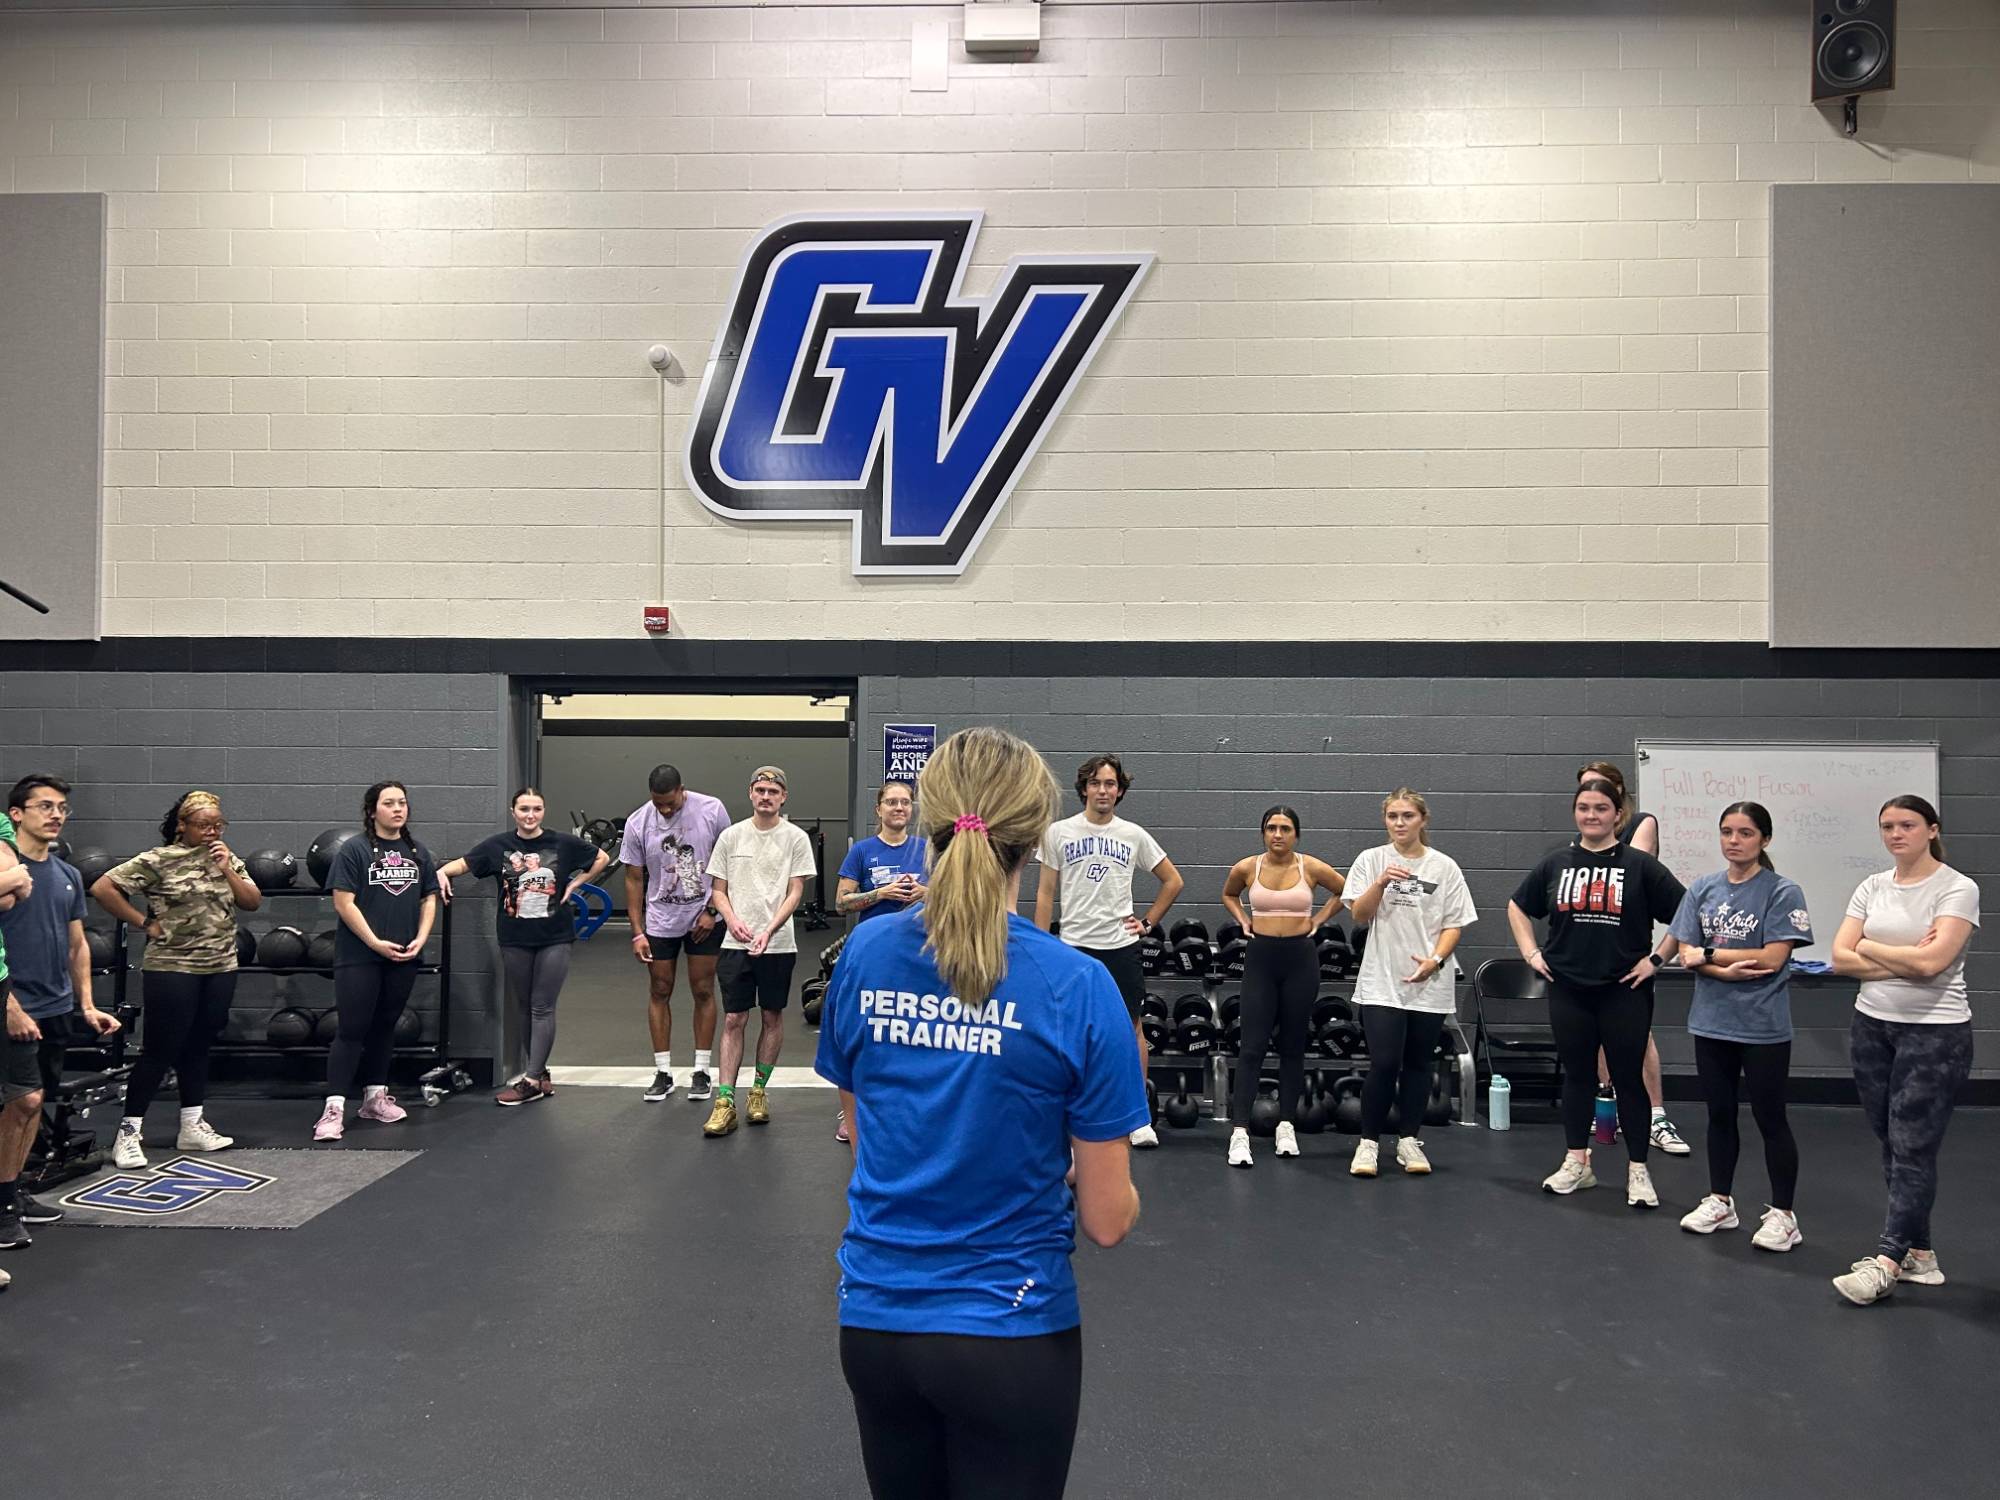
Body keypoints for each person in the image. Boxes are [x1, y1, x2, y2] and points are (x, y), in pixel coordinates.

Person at [814, 726, 1144, 1500]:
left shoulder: (863, 957)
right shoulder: (1078, 984)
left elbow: (867, 1138)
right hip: (1010, 1332)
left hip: (876, 1326)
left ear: (928, 826)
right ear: (1034, 841)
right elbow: (1107, 1220)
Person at [1828, 794, 1979, 1307]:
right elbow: (1839, 959)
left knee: (1913, 1145)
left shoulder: (1957, 888)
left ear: (1931, 830)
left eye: (1908, 825)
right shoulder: (1871, 886)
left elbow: (1933, 963)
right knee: (1892, 1144)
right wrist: (1899, 957)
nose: (1896, 834)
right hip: (1872, 1026)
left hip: (1935, 1034)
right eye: (1887, 826)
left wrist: (1870, 945)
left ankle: (1887, 1260)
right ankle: (1922, 1256)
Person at [1508, 778, 1686, 1209]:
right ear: (1576, 812)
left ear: (1618, 815)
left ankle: (1638, 1171)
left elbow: (1687, 912)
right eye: (1584, 807)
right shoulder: (1556, 863)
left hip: (1624, 990)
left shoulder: (1640, 866)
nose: (1592, 815)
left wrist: (1658, 960)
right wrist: (1532, 953)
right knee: (1579, 1078)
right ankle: (1577, 1164)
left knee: (1628, 1081)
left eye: (1601, 808)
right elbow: (1517, 906)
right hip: (1569, 990)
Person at [1668, 802, 1813, 1250]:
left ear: (1764, 840)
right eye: (1727, 832)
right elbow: (1684, 951)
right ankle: (1720, 1201)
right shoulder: (1703, 888)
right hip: (1711, 1023)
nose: (1735, 841)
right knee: (1719, 1115)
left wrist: (1711, 957)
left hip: (1763, 1026)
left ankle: (1784, 1215)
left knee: (1771, 1118)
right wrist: (1720, 969)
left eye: (1746, 833)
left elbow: (1772, 957)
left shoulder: (1782, 891)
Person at [91, 790, 261, 1168]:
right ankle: (129, 1133)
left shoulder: (225, 856)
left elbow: (252, 901)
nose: (211, 832)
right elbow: (103, 887)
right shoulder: (158, 859)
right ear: (182, 825)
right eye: (203, 825)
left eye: (217, 825)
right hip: (172, 966)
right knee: (160, 1049)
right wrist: (143, 923)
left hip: (220, 966)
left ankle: (191, 1126)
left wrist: (227, 868)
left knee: (199, 1045)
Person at [1032, 754, 1184, 1150]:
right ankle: (1063, 1112)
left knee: (1131, 1027)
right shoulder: (1058, 832)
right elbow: (1046, 892)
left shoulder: (1132, 834)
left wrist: (1147, 922)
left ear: (1120, 790)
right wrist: (1039, 945)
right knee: (1065, 1031)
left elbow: (1173, 881)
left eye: (1111, 784)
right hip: (1073, 947)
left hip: (1119, 945)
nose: (1103, 790)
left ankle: (1139, 1118)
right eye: (1096, 783)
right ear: (1084, 788)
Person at [0, 777, 121, 1249]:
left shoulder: (68, 875)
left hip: (54, 1006)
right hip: (14, 1003)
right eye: (44, 806)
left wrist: (86, 1004)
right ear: (16, 814)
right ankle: (5, 1206)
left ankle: (15, 1188)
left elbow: (77, 945)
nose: (56, 815)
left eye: (62, 808)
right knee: (23, 1100)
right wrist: (9, 1005)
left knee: (35, 1104)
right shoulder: (9, 875)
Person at [437, 787, 608, 1107]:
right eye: (524, 809)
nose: (531, 815)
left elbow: (601, 857)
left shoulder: (561, 843)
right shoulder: (498, 846)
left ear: (544, 811)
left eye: (537, 809)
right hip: (514, 937)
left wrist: (576, 883)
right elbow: (463, 864)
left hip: (555, 936)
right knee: (524, 1006)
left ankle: (529, 1080)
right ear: (512, 811)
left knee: (542, 1006)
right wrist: (441, 873)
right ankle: (540, 1073)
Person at [1341, 789, 1476, 1179]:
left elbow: (1454, 924)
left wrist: (1434, 960)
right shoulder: (1371, 860)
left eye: (1407, 816)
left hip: (1429, 981)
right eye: (1393, 816)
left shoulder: (1444, 867)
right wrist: (1381, 882)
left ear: (1423, 820)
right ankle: (1368, 1144)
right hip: (1382, 981)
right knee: (1384, 1063)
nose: (1399, 823)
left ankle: (1408, 1141)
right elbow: (1360, 916)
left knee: (1420, 1064)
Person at [1219, 806, 1345, 1168]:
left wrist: (1318, 920)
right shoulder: (1246, 868)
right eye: (1272, 828)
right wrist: (1243, 920)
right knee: (1252, 1048)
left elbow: (1345, 892)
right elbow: (1229, 895)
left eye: (1285, 828)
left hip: (1300, 962)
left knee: (1293, 1047)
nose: (1278, 834)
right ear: (1263, 833)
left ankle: (1286, 1126)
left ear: (1296, 834)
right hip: (1261, 960)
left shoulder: (1312, 867)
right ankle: (1239, 1132)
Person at [314, 781, 438, 1143]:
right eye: (389, 803)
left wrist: (421, 938)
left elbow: (429, 897)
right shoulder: (354, 850)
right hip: (360, 956)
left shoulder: (417, 850)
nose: (398, 809)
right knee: (352, 1030)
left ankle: (374, 1098)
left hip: (403, 955)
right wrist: (373, 942)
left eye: (402, 803)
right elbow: (343, 902)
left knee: (386, 1027)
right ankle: (334, 1108)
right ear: (372, 811)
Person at [1576, 761, 1689, 1157]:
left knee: (1639, 1038)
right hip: (1593, 951)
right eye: (1583, 796)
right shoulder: (1580, 843)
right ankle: (1611, 1104)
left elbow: (1626, 871)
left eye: (1600, 796)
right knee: (1598, 1037)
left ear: (1618, 800)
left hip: (1628, 950)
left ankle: (1656, 1114)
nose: (1591, 807)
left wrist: (1657, 958)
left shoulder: (1643, 822)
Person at [702, 765, 816, 1137]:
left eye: (773, 791)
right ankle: (724, 1101)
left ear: (784, 797)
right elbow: (718, 890)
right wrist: (732, 920)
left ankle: (758, 1092)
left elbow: (796, 891)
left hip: (779, 945)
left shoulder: (796, 838)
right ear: (751, 793)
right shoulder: (731, 837)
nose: (766, 796)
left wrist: (770, 929)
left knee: (772, 1016)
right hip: (736, 943)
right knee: (734, 1019)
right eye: (760, 789)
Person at [623, 764, 731, 1103]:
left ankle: (701, 1070)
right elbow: (633, 879)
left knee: (703, 989)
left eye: (671, 803)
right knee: (660, 989)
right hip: (660, 921)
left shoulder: (711, 809)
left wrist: (713, 911)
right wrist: (637, 932)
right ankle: (663, 1072)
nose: (665, 810)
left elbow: (729, 864)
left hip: (704, 917)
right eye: (659, 804)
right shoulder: (638, 822)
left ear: (682, 790)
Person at [832, 779, 928, 1141]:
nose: (899, 808)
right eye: (891, 802)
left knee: (911, 1033)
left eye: (904, 802)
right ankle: (851, 1112)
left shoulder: (925, 850)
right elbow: (842, 902)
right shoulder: (862, 852)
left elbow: (952, 896)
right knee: (868, 1031)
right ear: (879, 809)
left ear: (912, 808)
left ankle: (906, 1106)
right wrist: (880, 893)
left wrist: (925, 893)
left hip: (917, 956)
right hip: (873, 956)